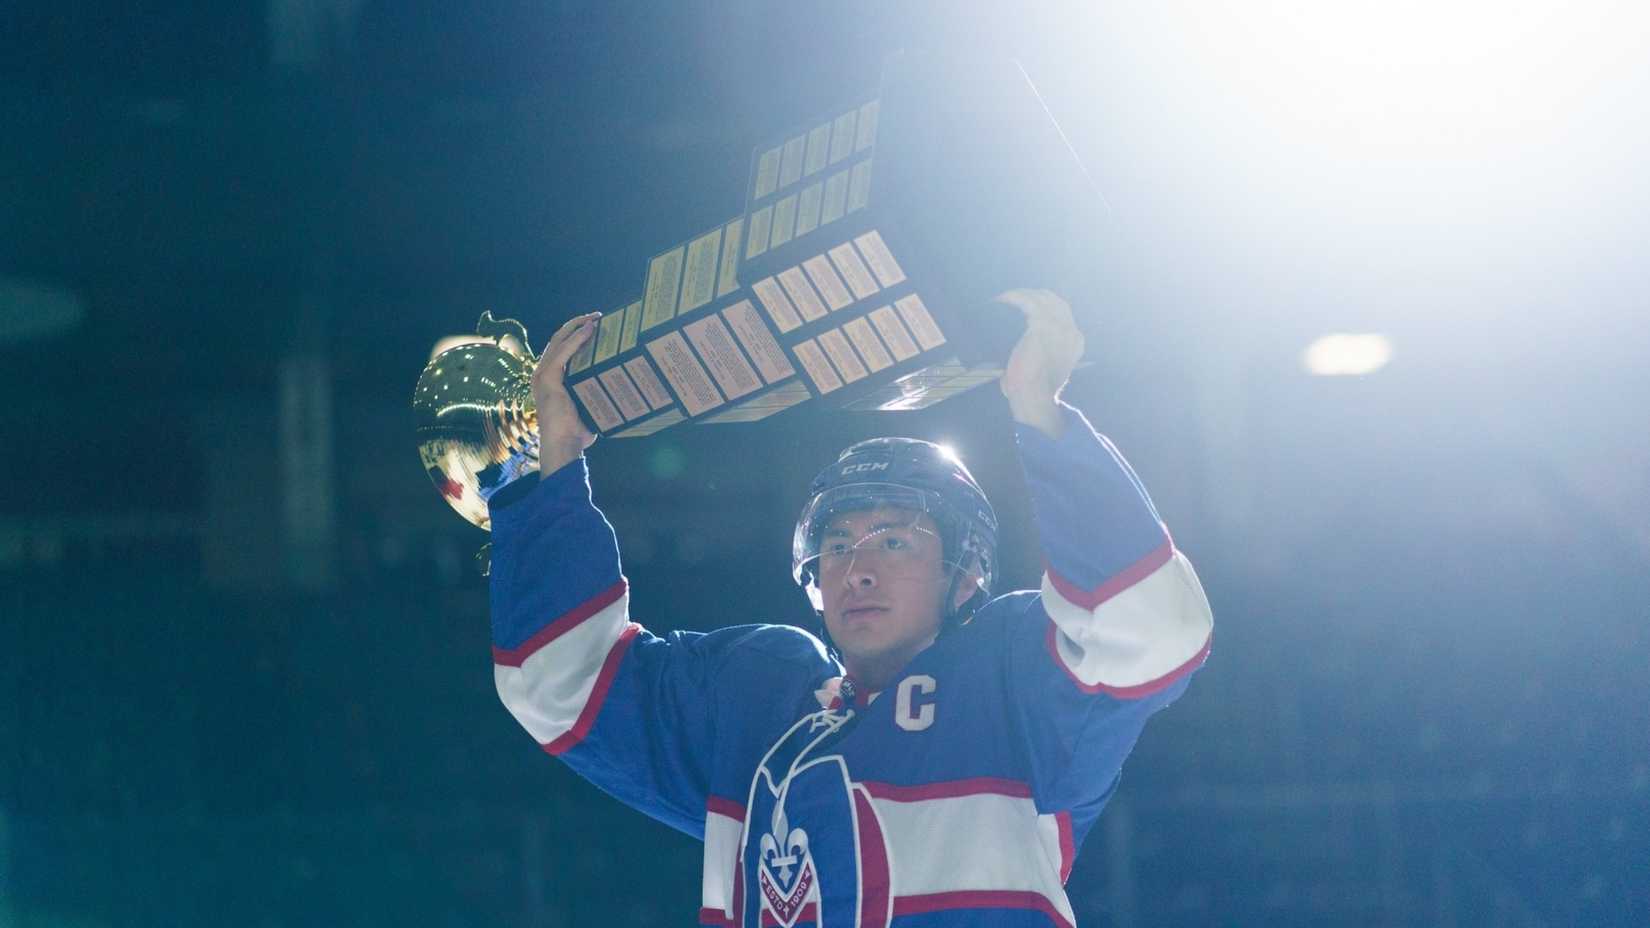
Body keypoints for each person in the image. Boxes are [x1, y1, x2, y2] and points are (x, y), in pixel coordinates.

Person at [485, 290, 1214, 928]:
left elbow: (1151, 627)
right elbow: (555, 683)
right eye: (837, 545)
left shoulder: (1011, 680)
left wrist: (1038, 411)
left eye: (894, 540)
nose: (857, 569)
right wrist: (553, 473)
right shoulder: (756, 700)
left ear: (965, 576)